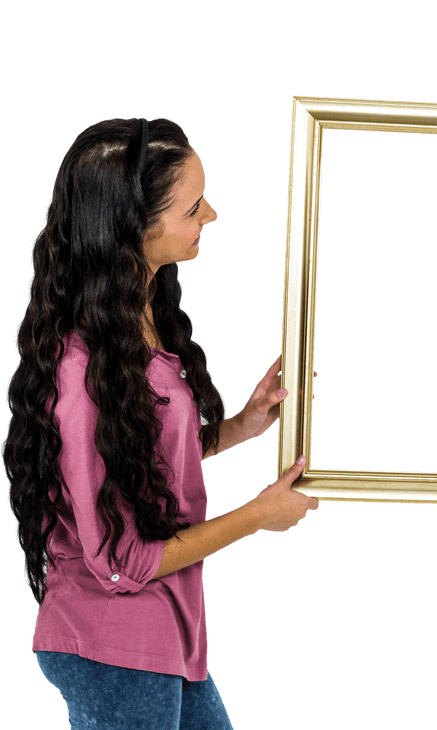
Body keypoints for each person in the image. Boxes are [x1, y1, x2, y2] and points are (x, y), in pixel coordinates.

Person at [2, 116, 320, 729]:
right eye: (194, 206)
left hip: (164, 633)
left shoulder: (141, 320)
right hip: (114, 644)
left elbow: (144, 459)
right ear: (135, 227)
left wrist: (243, 425)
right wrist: (260, 515)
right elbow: (121, 562)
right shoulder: (80, 375)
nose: (212, 215)